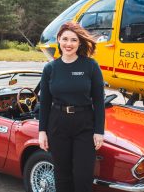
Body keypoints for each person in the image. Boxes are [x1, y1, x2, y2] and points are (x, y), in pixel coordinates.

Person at [38, 21, 105, 192]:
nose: (69, 44)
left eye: (74, 40)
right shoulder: (50, 68)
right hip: (58, 124)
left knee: (83, 176)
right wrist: (42, 131)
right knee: (62, 175)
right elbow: (44, 102)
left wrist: (99, 131)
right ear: (58, 39)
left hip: (84, 125)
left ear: (80, 42)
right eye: (65, 39)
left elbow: (98, 101)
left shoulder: (90, 66)